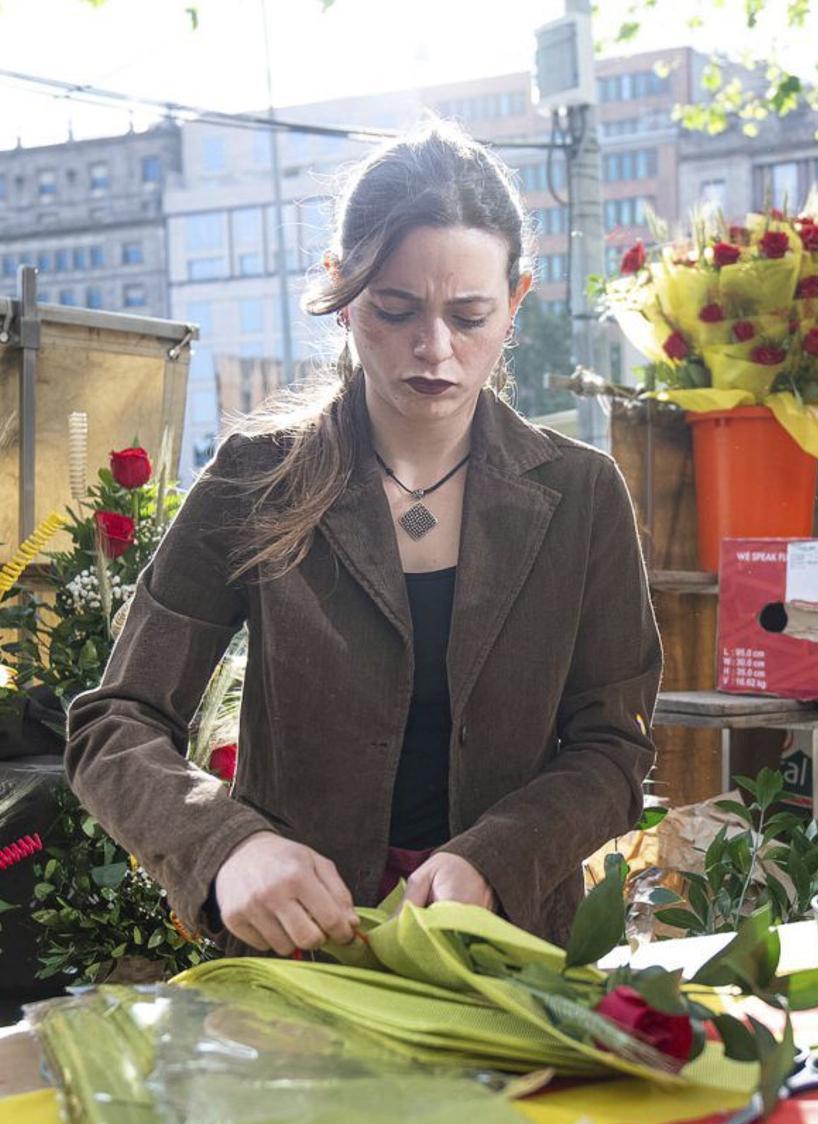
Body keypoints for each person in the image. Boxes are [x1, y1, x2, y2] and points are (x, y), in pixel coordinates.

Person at [65, 121, 662, 958]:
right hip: (296, 956)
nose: (435, 348)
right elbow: (114, 723)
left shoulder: (581, 495)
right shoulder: (255, 479)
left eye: (470, 315)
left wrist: (500, 855)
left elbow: (613, 747)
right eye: (395, 308)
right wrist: (225, 845)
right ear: (342, 291)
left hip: (507, 952)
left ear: (517, 300)